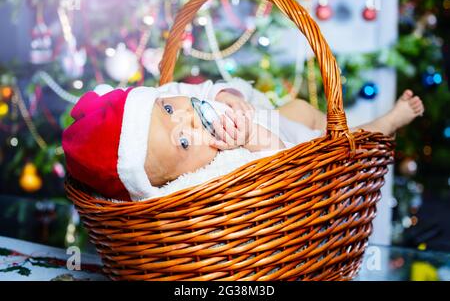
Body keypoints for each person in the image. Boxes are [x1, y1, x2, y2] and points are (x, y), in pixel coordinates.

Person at [62, 78, 424, 202]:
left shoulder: (164, 97)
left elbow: (205, 89)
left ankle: (348, 121)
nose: (189, 117)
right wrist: (252, 138)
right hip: (301, 152)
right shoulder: (209, 180)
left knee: (299, 107)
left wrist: (226, 97)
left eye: (170, 111)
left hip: (279, 119)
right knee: (345, 144)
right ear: (171, 181)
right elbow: (283, 175)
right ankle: (385, 123)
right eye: (184, 142)